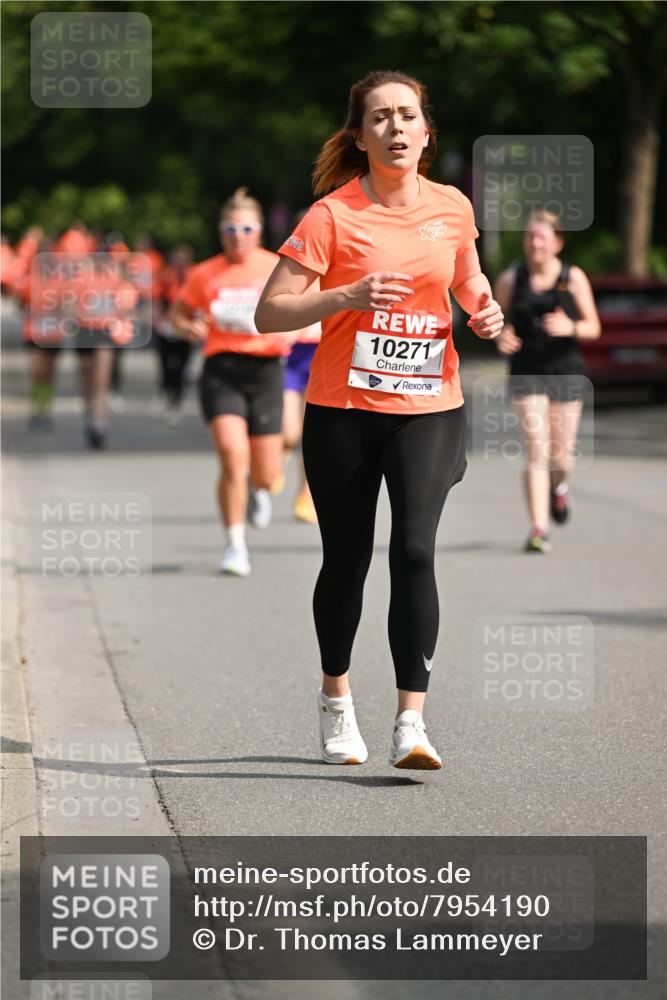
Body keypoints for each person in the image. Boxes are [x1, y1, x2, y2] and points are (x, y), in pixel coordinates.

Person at [255, 69, 503, 769]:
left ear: (426, 133)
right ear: (359, 137)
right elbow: (269, 313)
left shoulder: (452, 206)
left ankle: (410, 722)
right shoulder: (332, 216)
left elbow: (466, 275)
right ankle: (336, 700)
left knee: (416, 550)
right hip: (343, 409)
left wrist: (481, 307)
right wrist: (347, 296)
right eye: (380, 118)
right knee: (347, 560)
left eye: (407, 116)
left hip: (429, 405)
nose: (395, 128)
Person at [171, 188, 298, 577]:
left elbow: (303, 307)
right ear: (220, 231)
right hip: (221, 369)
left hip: (265, 371)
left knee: (265, 470)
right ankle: (235, 546)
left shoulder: (277, 266)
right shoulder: (204, 273)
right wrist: (187, 325)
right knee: (231, 454)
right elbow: (178, 312)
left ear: (259, 230)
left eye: (246, 228)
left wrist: (294, 331)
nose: (237, 236)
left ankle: (259, 491)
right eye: (230, 228)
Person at [494, 211, 601, 552]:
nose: (534, 242)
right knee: (536, 450)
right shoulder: (512, 278)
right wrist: (500, 335)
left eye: (541, 236)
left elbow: (593, 326)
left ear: (557, 242)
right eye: (529, 236)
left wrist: (570, 327)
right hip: (526, 370)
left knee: (561, 456)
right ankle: (538, 528)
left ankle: (560, 488)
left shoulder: (573, 278)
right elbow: (493, 320)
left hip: (566, 370)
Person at [154, 244, 195, 424]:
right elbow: (157, 298)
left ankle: (177, 400)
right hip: (166, 325)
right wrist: (157, 320)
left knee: (181, 365)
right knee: (165, 363)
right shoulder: (166, 275)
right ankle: (165, 393)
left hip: (185, 327)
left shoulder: (193, 275)